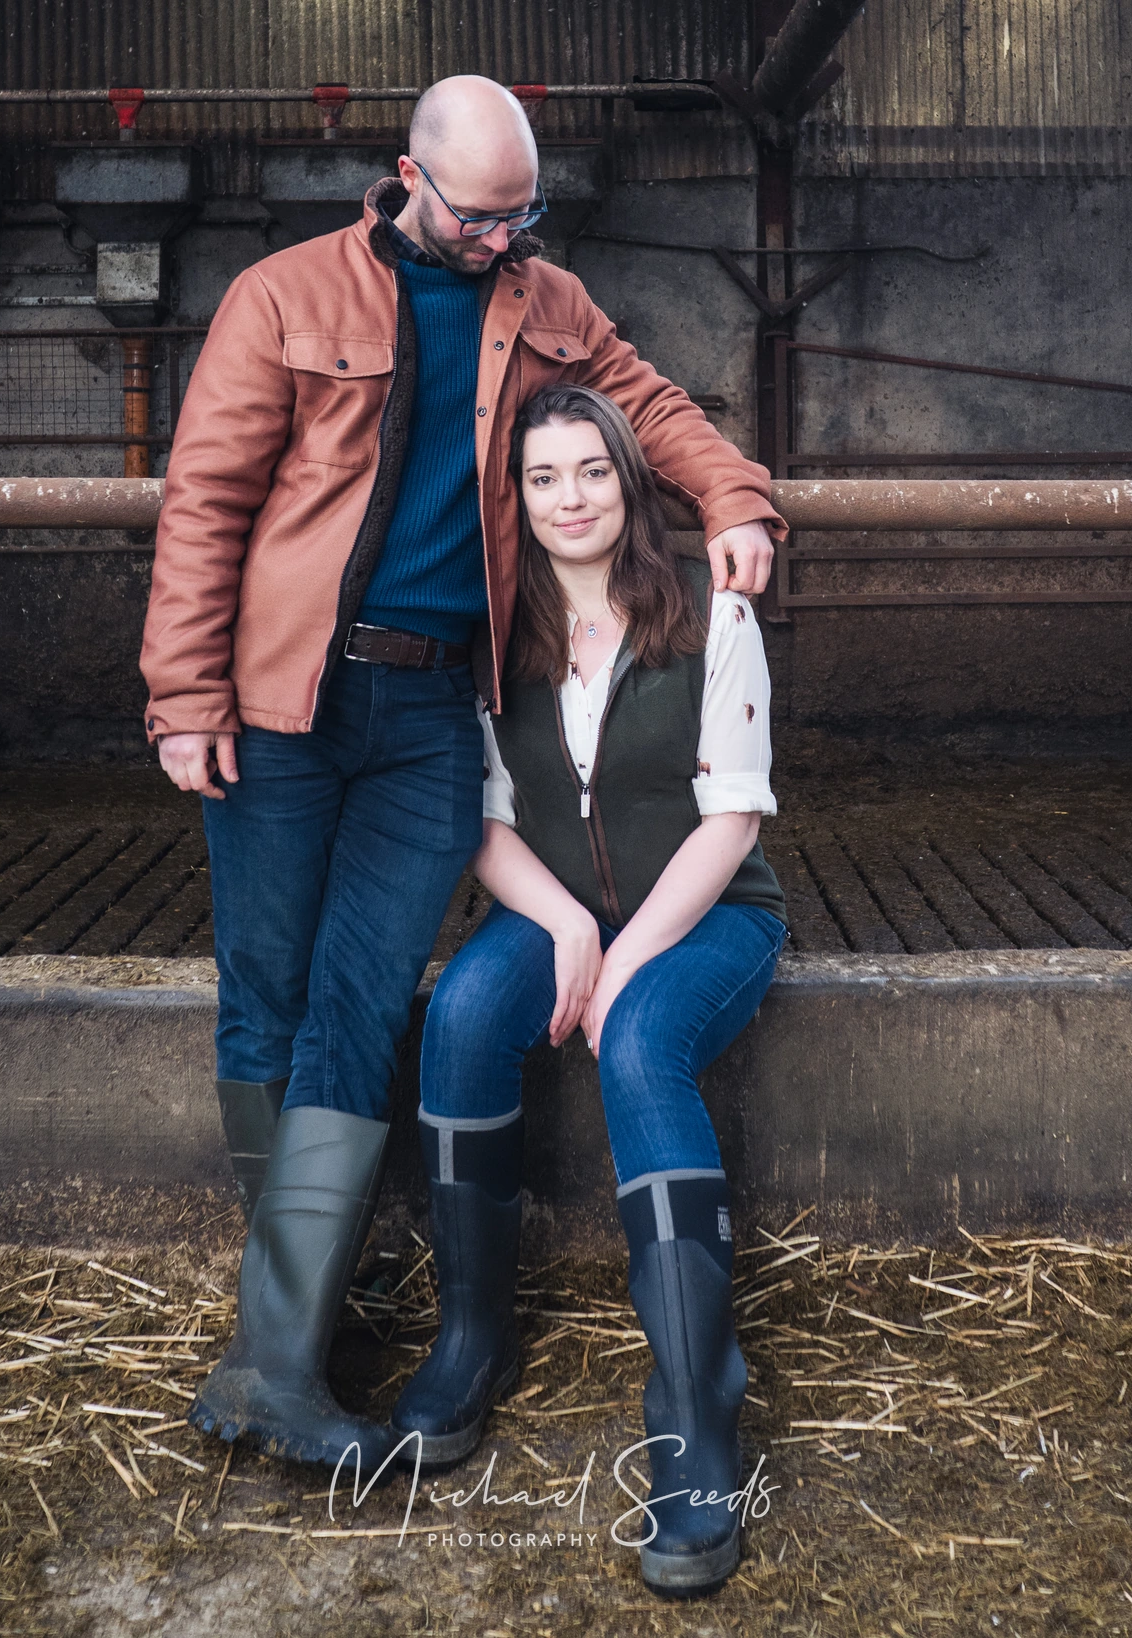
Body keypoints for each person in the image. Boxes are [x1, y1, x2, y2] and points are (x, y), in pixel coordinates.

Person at [143, 74, 784, 1473]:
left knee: (368, 997)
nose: (503, 241)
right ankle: (282, 1349)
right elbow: (207, 499)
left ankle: (284, 1350)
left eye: (522, 216)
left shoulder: (543, 299)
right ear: (408, 179)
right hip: (290, 697)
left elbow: (644, 404)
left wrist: (734, 493)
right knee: (268, 983)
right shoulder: (285, 297)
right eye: (480, 216)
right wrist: (184, 692)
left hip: (438, 713)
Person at [391, 384, 786, 1598]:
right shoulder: (490, 636)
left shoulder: (708, 616)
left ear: (631, 483)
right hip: (547, 909)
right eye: (542, 479)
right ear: (513, 501)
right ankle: (470, 1338)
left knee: (636, 1046)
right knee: (460, 1013)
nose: (570, 499)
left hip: (707, 915)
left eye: (593, 473)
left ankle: (696, 1405)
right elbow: (480, 822)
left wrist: (620, 961)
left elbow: (733, 817)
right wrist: (565, 923)